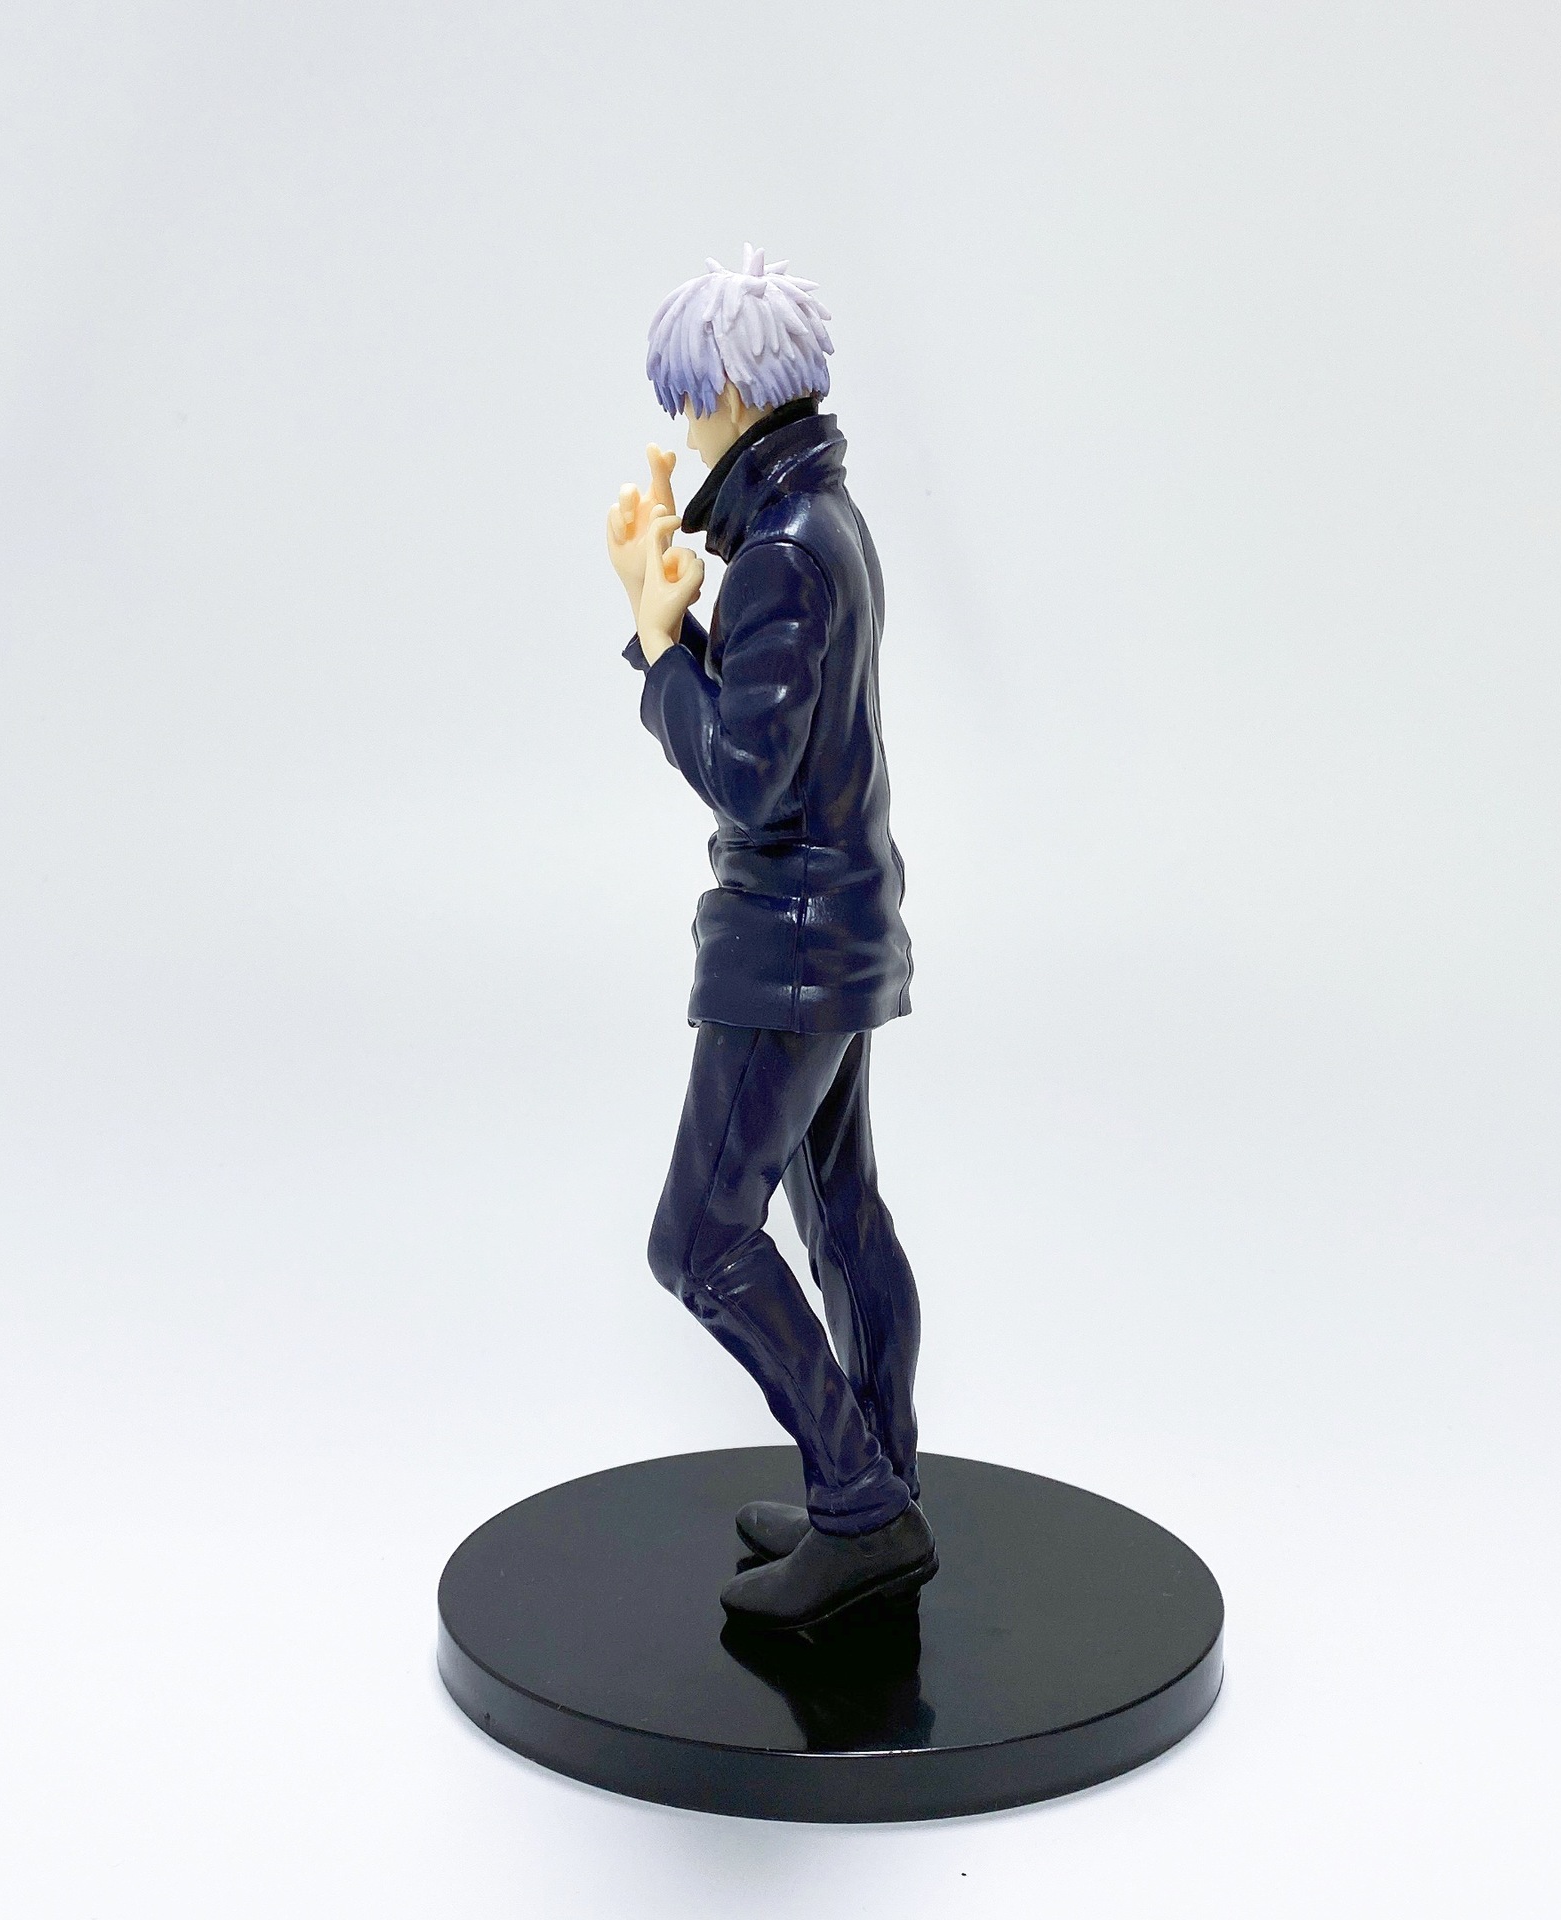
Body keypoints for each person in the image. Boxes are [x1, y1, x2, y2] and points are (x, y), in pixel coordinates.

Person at [604, 246, 935, 1632]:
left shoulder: (786, 555)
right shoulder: (821, 523)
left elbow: (749, 782)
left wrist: (659, 643)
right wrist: (677, 625)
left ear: (733, 392)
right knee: (839, 1218)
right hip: (837, 937)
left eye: (691, 398)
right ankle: (880, 1489)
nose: (686, 427)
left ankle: (861, 1510)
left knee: (700, 1242)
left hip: (787, 952)